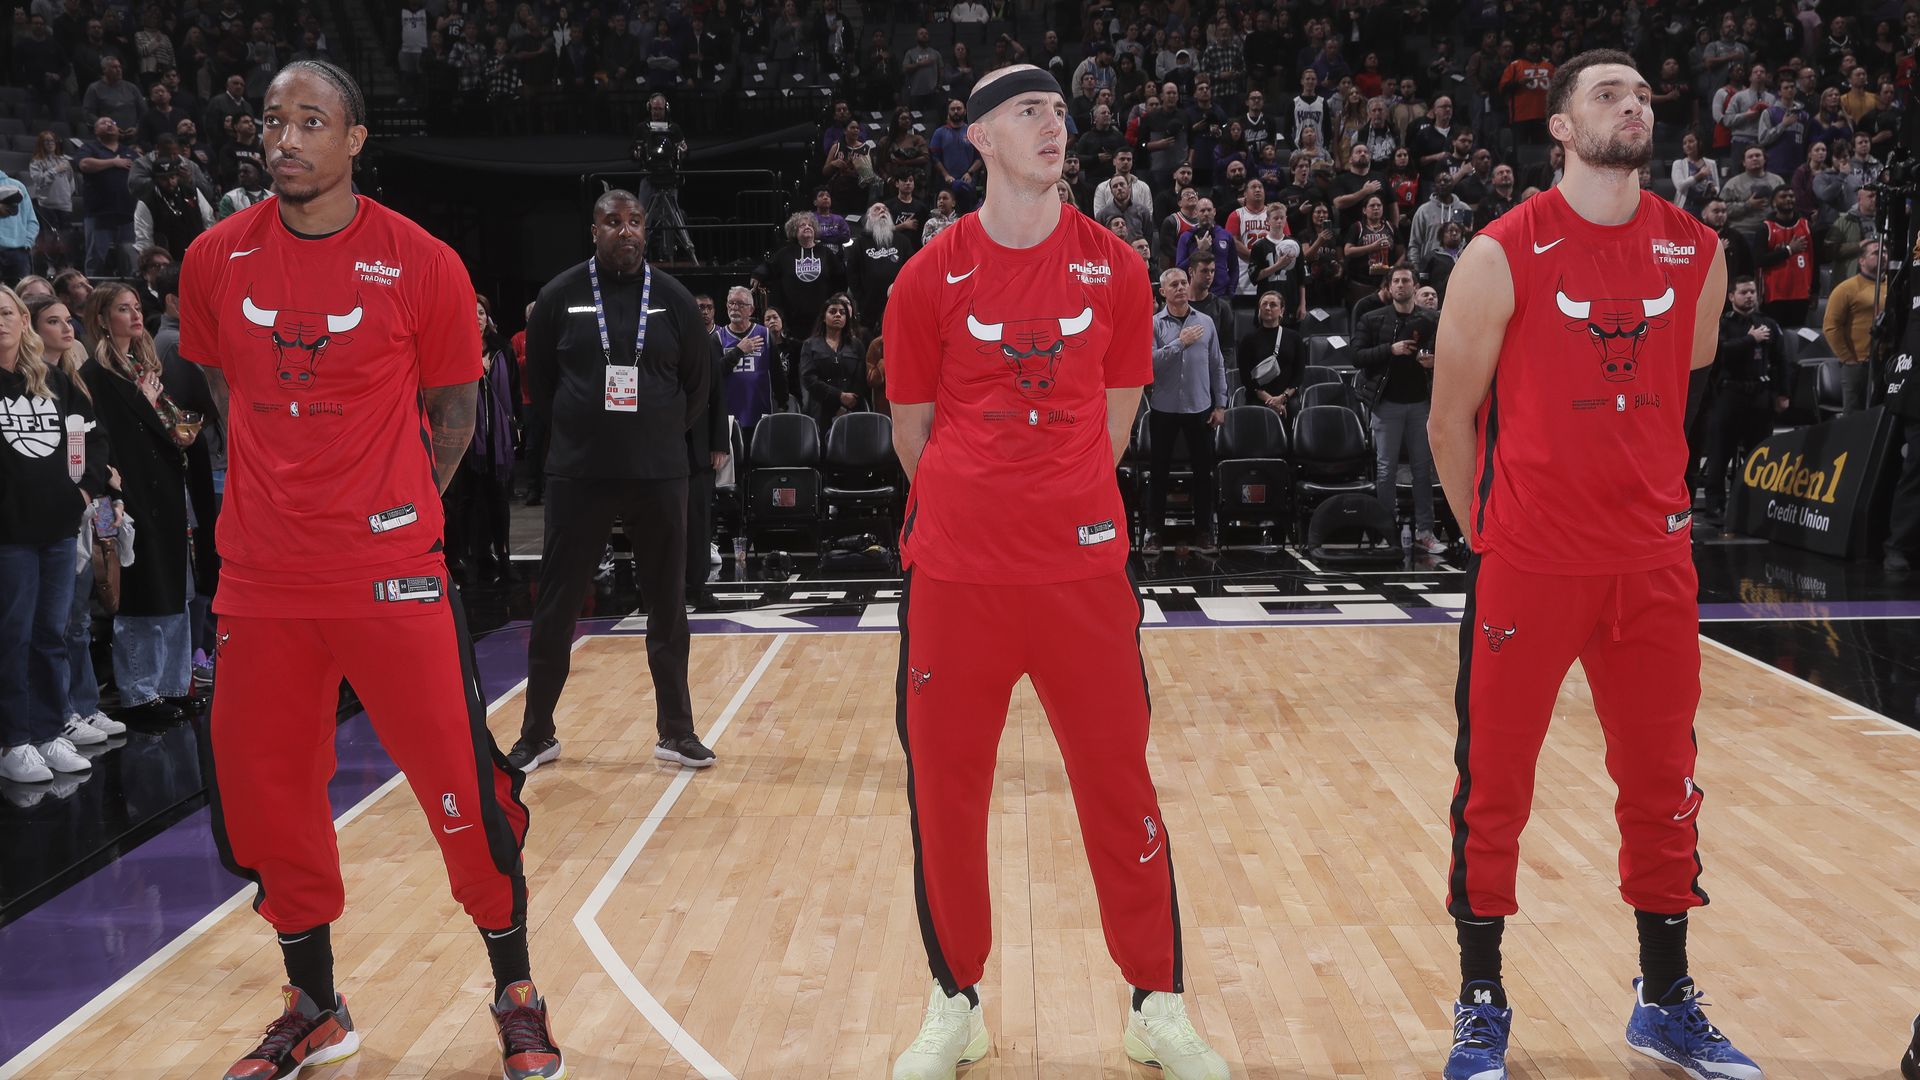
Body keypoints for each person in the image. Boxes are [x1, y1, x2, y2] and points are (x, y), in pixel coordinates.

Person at [175, 60, 565, 1080]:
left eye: (311, 121)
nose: (286, 138)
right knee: (268, 801)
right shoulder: (216, 259)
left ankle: (515, 987)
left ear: (354, 141)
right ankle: (315, 1007)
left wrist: (384, 510)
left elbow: (456, 418)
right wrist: (286, 494)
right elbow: (223, 388)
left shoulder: (422, 263)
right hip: (261, 580)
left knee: (460, 789)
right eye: (272, 120)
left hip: (390, 570)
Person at [879, 64, 1231, 1080]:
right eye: (1030, 111)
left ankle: (1155, 1004)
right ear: (979, 138)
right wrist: (979, 507)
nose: (1054, 126)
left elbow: (1118, 419)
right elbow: (914, 433)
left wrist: (1051, 503)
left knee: (1119, 789)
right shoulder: (925, 279)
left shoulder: (1117, 270)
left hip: (1081, 578)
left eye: (1061, 113)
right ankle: (956, 1003)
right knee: (947, 795)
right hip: (956, 581)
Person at [1428, 49, 1760, 1080]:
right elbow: (1449, 420)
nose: (1632, 106)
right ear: (1561, 128)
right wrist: (1489, 538)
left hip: (1653, 565)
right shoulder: (1501, 251)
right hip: (1531, 564)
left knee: (1664, 785)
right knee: (1497, 787)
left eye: (1643, 96)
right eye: (1607, 95)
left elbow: (1688, 362)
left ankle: (1664, 998)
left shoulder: (1698, 251)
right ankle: (1481, 996)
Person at [514, 186, 715, 779]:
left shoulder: (674, 299)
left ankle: (676, 732)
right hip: (580, 475)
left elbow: (698, 386)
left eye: (634, 222)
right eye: (612, 221)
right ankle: (537, 733)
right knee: (555, 605)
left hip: (659, 475)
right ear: (593, 230)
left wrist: (654, 435)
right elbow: (543, 383)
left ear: (644, 230)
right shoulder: (562, 296)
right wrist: (583, 432)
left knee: (667, 605)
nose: (625, 231)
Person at [0, 285, 112, 784]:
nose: (1, 322)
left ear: (22, 319)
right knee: (13, 637)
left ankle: (48, 732)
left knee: (51, 635)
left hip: (58, 531)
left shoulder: (50, 381)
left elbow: (91, 440)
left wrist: (84, 496)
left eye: (7, 313)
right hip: (9, 537)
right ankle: (14, 741)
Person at [82, 282, 198, 726]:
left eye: (136, 307)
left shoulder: (143, 369)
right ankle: (138, 692)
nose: (134, 315)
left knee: (175, 590)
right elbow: (104, 437)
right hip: (126, 496)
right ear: (101, 319)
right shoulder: (95, 375)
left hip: (165, 491)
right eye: (122, 309)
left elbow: (169, 430)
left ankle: (172, 683)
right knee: (138, 594)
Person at [1354, 265, 1443, 552]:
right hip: (1387, 404)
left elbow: (1450, 352)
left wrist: (1435, 362)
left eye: (1406, 280)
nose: (1401, 285)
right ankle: (1384, 531)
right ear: (1389, 287)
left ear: (1415, 287)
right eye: (1396, 281)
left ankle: (1425, 531)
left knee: (1422, 470)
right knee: (1385, 471)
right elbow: (1355, 356)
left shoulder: (1431, 319)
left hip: (1420, 403)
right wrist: (1389, 350)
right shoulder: (1373, 318)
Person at [1144, 266, 1228, 554]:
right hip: (1164, 409)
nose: (1180, 288)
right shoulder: (1154, 325)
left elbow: (1217, 365)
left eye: (1183, 283)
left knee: (1204, 474)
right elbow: (1149, 365)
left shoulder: (1206, 322)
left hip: (1200, 408)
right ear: (1163, 291)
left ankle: (1204, 532)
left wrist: (1221, 404)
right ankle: (1154, 533)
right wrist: (1180, 343)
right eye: (1174, 285)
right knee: (1158, 473)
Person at [1702, 276, 1788, 522]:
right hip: (1730, 394)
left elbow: (1782, 361)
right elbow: (1719, 354)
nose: (1749, 296)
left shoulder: (1768, 323)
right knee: (1720, 452)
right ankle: (1715, 505)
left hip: (1760, 394)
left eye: (1752, 292)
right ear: (1731, 296)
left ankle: (1755, 505)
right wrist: (1750, 340)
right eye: (1743, 292)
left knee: (1760, 454)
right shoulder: (1723, 324)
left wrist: (1783, 394)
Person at [1822, 237, 1886, 414]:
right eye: (1876, 253)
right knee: (1854, 416)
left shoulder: (1893, 285)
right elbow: (1831, 327)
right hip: (1857, 362)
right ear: (1861, 261)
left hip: (1886, 360)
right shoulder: (1846, 289)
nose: (1883, 256)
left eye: (1885, 252)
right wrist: (1847, 358)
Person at [799, 291, 867, 431]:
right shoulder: (810, 345)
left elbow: (860, 378)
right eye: (833, 312)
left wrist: (847, 403)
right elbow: (808, 379)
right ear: (824, 317)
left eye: (842, 313)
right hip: (820, 407)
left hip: (851, 407)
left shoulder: (856, 345)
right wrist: (838, 396)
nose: (838, 315)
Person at [1236, 289, 1305, 414]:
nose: (1268, 308)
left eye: (1273, 305)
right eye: (1264, 304)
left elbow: (1298, 375)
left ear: (1282, 311)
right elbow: (1246, 378)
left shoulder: (1294, 338)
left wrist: (1282, 398)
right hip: (1258, 396)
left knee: (1294, 409)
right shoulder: (1248, 340)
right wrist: (1270, 400)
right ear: (1259, 309)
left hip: (1287, 397)